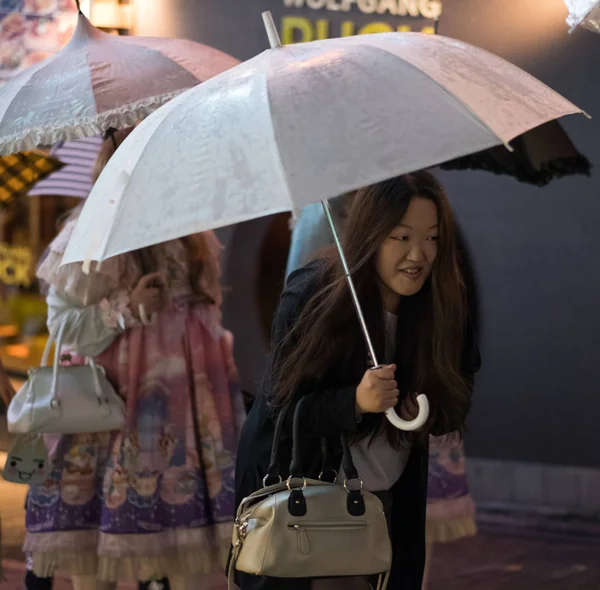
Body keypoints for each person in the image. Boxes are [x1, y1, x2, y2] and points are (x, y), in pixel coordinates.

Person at [234, 171, 481, 590]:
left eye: (433, 238)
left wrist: (428, 404)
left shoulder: (441, 306)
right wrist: (354, 403)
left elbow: (457, 397)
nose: (419, 254)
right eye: (401, 238)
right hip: (309, 500)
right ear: (371, 234)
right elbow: (279, 414)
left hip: (387, 499)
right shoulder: (314, 297)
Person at [24, 128, 246, 590]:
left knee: (178, 548)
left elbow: (207, 316)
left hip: (182, 415)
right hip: (110, 411)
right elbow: (64, 325)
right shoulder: (90, 236)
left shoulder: (190, 235)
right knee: (96, 546)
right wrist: (125, 307)